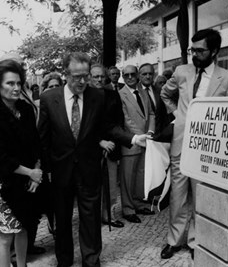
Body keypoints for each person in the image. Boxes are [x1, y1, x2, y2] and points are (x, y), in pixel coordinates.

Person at [38, 52, 148, 267]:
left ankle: (91, 259)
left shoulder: (98, 96)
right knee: (62, 218)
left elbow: (108, 127)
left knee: (90, 218)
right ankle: (65, 259)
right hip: (61, 171)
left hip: (89, 168)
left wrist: (132, 137)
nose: (82, 81)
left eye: (85, 76)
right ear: (65, 74)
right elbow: (42, 138)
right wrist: (44, 169)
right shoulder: (49, 99)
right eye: (76, 76)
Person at [160, 29, 228, 260]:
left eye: (200, 50)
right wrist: (178, 116)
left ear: (214, 51)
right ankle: (174, 240)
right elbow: (165, 93)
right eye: (192, 49)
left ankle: (196, 241)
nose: (195, 54)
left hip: (207, 148)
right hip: (181, 142)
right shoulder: (182, 71)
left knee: (201, 195)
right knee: (178, 195)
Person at [0, 59, 43, 267]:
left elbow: (36, 143)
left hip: (27, 183)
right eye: (10, 83)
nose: (16, 88)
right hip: (5, 185)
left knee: (24, 228)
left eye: (18, 83)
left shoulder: (25, 109)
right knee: (6, 236)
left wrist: (36, 170)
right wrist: (30, 173)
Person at [117, 64, 155, 224]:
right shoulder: (120, 95)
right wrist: (140, 136)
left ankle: (138, 203)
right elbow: (125, 119)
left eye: (133, 74)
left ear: (137, 75)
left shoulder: (143, 92)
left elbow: (151, 113)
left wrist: (150, 132)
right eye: (127, 75)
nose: (130, 77)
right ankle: (128, 209)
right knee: (127, 179)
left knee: (140, 176)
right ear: (123, 77)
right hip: (131, 143)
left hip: (146, 141)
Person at [90, 64, 124, 229]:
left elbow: (118, 121)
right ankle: (92, 217)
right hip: (89, 147)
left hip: (110, 146)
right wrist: (98, 142)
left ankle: (109, 214)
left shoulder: (113, 95)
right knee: (92, 185)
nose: (99, 79)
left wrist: (112, 142)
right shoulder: (83, 96)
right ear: (90, 77)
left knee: (111, 184)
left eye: (102, 76)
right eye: (95, 76)